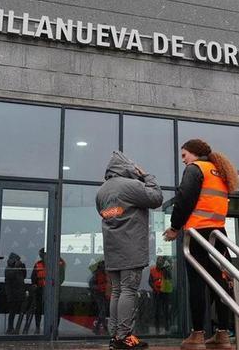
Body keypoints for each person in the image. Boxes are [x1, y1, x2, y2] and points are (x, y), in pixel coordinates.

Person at [163, 139, 239, 350]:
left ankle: (197, 335)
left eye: (184, 155)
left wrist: (174, 227)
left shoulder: (195, 169)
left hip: (197, 233)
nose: (183, 159)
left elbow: (184, 199)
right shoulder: (219, 171)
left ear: (194, 154)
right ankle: (223, 334)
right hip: (218, 233)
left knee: (197, 283)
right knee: (220, 282)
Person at [96, 150, 163, 349]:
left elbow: (104, 213)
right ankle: (124, 336)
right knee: (128, 290)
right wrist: (146, 176)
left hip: (112, 248)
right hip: (130, 247)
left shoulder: (102, 191)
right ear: (126, 168)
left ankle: (116, 336)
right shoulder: (130, 185)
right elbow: (156, 198)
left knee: (117, 290)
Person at [4, 253, 27, 334]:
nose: (19, 261)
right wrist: (16, 267)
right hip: (12, 293)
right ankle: (10, 328)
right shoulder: (9, 268)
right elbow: (10, 276)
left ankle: (17, 328)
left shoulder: (19, 268)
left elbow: (24, 276)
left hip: (20, 292)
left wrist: (23, 267)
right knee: (12, 311)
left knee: (19, 310)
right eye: (17, 260)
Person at [88, 259, 111, 336]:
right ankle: (104, 328)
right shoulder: (98, 274)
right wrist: (100, 288)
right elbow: (91, 284)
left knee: (102, 311)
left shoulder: (104, 274)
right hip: (99, 294)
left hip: (105, 294)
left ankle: (97, 328)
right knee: (103, 311)